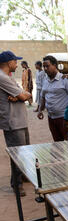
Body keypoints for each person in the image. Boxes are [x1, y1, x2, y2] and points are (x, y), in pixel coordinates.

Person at [0, 51, 32, 196]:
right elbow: (23, 95)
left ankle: (23, 176)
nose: (17, 64)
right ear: (9, 63)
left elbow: (25, 93)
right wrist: (21, 96)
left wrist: (22, 95)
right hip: (13, 122)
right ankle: (16, 184)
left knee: (24, 152)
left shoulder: (7, 77)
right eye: (15, 61)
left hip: (19, 119)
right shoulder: (2, 78)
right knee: (17, 154)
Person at [37, 55, 68, 142]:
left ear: (55, 65)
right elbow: (43, 96)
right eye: (44, 66)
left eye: (47, 66)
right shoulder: (45, 80)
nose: (45, 69)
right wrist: (40, 110)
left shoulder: (65, 79)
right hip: (51, 117)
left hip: (64, 118)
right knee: (57, 142)